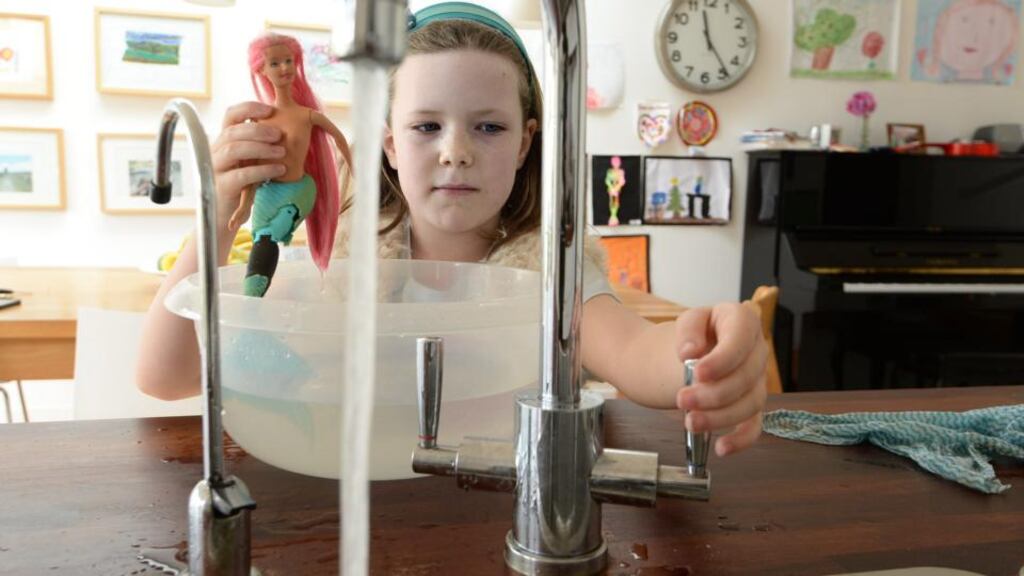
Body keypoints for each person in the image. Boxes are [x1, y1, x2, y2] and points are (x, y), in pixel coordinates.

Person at [137, 2, 767, 457]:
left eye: (489, 127)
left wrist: (705, 352)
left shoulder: (547, 270)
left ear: (526, 146)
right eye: (426, 126)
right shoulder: (348, 252)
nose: (455, 152)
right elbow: (165, 376)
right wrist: (217, 212)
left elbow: (638, 356)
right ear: (388, 145)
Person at [232, 32, 353, 297]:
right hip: (266, 191)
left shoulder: (308, 116)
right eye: (275, 63)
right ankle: (252, 299)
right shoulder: (259, 121)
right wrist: (244, 204)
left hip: (299, 190)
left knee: (269, 235)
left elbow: (340, 139)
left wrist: (356, 172)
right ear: (261, 70)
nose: (285, 68)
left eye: (288, 61)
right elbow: (253, 167)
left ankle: (252, 299)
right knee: (261, 237)